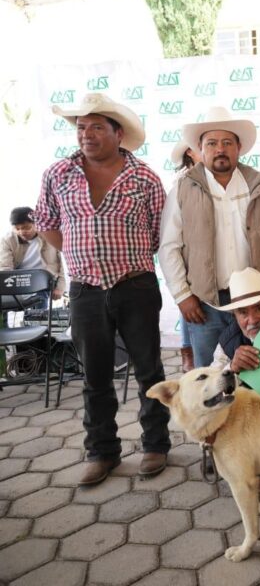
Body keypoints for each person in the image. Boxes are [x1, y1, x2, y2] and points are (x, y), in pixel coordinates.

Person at [34, 93, 170, 484]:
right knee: (94, 375)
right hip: (85, 291)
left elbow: (158, 230)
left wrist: (123, 259)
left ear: (118, 133)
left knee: (149, 370)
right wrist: (81, 253)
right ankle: (102, 451)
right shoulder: (58, 173)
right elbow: (45, 220)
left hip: (136, 286)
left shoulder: (144, 176)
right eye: (81, 128)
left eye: (96, 127)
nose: (86, 135)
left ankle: (156, 444)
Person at [158, 106, 260, 368]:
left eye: (227, 142)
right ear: (200, 150)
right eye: (212, 143)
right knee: (209, 377)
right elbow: (169, 246)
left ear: (239, 147)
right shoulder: (183, 189)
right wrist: (182, 295)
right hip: (205, 302)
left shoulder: (258, 186)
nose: (220, 149)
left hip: (256, 301)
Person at [169, 140, 203, 373]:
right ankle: (187, 351)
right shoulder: (183, 180)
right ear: (190, 152)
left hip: (198, 251)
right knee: (189, 303)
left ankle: (189, 352)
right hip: (188, 253)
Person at [0, 206, 65, 306]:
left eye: (26, 227)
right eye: (17, 229)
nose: (22, 232)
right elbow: (5, 267)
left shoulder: (50, 235)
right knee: (11, 312)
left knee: (39, 317)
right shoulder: (7, 240)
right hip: (18, 282)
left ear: (36, 224)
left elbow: (62, 263)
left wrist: (60, 287)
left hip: (42, 282)